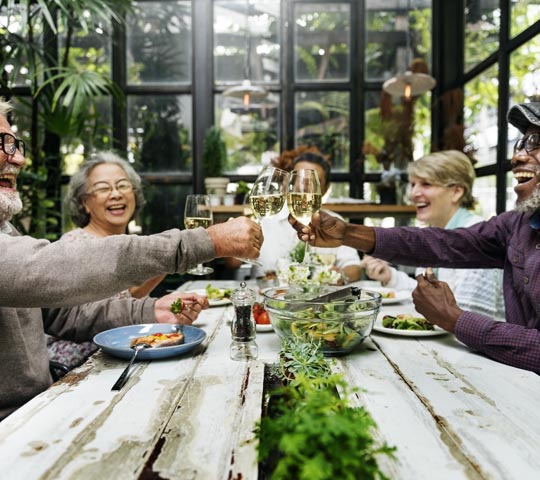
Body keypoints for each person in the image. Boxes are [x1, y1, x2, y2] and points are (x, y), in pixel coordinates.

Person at [0, 98, 263, 420]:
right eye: (3, 144)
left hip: (39, 405)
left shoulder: (6, 230)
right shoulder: (62, 248)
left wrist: (150, 310)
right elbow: (47, 269)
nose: (20, 158)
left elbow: (64, 316)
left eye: (15, 144)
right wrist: (204, 241)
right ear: (84, 202)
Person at [289, 101, 540, 374]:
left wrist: (454, 319)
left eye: (535, 141)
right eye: (521, 143)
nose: (517, 157)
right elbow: (440, 243)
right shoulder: (518, 224)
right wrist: (347, 233)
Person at [46, 152, 170, 370]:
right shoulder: (77, 245)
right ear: (85, 202)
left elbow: (127, 299)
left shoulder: (131, 243)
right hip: (76, 368)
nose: (116, 194)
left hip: (120, 357)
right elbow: (88, 319)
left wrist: (168, 260)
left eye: (123, 185)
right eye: (103, 188)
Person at [361, 150, 505, 321]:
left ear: (457, 192)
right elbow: (427, 298)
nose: (414, 193)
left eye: (426, 184)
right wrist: (390, 276)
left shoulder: (476, 238)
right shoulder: (435, 233)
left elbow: (468, 319)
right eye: (413, 184)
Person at [232, 146, 362, 283]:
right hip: (264, 298)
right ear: (287, 182)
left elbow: (355, 268)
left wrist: (340, 275)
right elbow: (233, 264)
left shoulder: (334, 223)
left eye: (311, 182)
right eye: (297, 179)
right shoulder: (267, 218)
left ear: (325, 188)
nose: (303, 187)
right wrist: (233, 245)